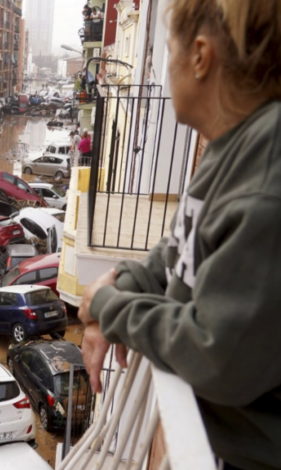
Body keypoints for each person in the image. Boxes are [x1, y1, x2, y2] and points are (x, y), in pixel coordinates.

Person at [77, 1, 281, 469]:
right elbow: (176, 252)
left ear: (200, 57)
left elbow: (217, 357)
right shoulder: (232, 145)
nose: (163, 68)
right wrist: (120, 286)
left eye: (169, 50)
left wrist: (108, 307)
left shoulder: (266, 179)